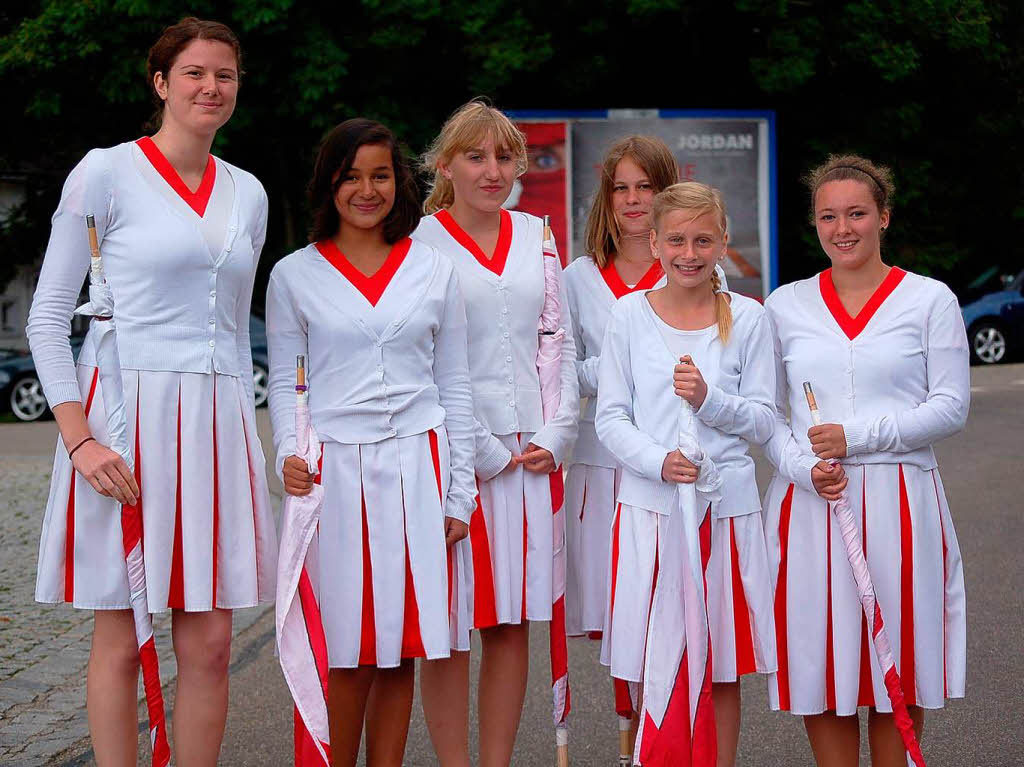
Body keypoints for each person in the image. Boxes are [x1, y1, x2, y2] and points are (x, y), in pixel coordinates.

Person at [26, 17, 276, 765]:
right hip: (121, 420)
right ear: (161, 83)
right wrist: (81, 438)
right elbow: (47, 318)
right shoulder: (104, 171)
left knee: (211, 641)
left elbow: (232, 331)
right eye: (195, 73)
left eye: (224, 75)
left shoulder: (250, 192)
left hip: (215, 419)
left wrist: (241, 439)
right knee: (122, 633)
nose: (211, 87)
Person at [265, 118, 477, 767]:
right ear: (329, 182)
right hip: (335, 475)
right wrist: (286, 454)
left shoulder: (435, 269)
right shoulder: (293, 275)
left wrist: (459, 492)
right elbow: (283, 379)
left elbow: (456, 384)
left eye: (380, 174)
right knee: (347, 652)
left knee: (399, 648)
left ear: (400, 181)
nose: (366, 188)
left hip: (418, 468)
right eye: (351, 175)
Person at [762, 154, 968, 767]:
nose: (843, 228)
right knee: (820, 661)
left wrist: (858, 437)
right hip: (810, 503)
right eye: (829, 216)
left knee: (894, 662)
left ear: (883, 215)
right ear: (815, 224)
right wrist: (803, 466)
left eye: (856, 213)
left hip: (900, 502)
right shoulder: (784, 306)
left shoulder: (929, 300)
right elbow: (767, 414)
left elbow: (952, 407)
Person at [412, 100, 579, 767]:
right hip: (455, 459)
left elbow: (558, 340)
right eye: (476, 156)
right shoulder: (421, 243)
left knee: (510, 622)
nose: (492, 170)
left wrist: (558, 429)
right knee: (452, 627)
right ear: (446, 163)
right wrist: (475, 446)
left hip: (529, 455)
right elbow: (418, 356)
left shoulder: (537, 232)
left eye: (504, 156)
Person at [596, 181, 777, 766]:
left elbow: (765, 419)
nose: (689, 253)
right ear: (654, 242)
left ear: (724, 242)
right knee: (657, 655)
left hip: (724, 513)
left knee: (720, 664)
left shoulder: (749, 318)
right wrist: (657, 460)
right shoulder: (628, 314)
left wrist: (709, 400)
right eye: (676, 240)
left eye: (703, 239)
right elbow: (611, 418)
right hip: (651, 511)